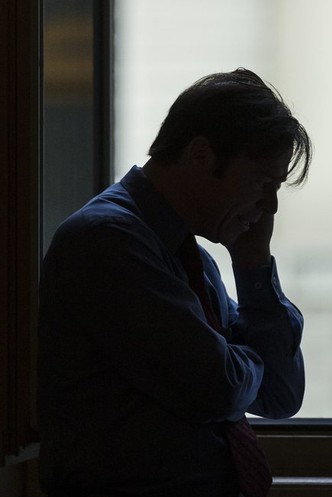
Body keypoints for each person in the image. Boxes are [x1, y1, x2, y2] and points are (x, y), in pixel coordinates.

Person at [37, 68, 312, 497]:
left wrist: (253, 265)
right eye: (263, 183)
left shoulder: (192, 259)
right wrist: (247, 361)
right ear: (201, 156)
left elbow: (280, 395)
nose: (271, 206)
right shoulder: (108, 240)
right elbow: (215, 387)